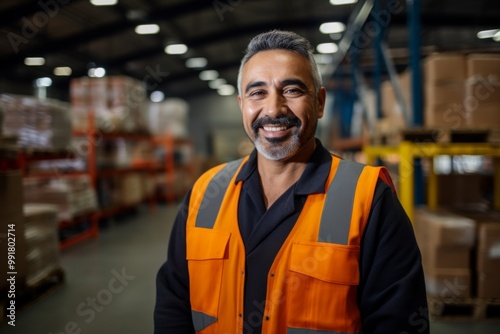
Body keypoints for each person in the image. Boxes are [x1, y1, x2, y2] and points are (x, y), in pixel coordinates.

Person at [154, 30, 429, 334]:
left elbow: (399, 322)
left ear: (319, 102)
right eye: (257, 92)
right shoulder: (206, 192)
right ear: (241, 104)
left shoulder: (368, 198)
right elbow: (173, 306)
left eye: (292, 90)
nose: (273, 109)